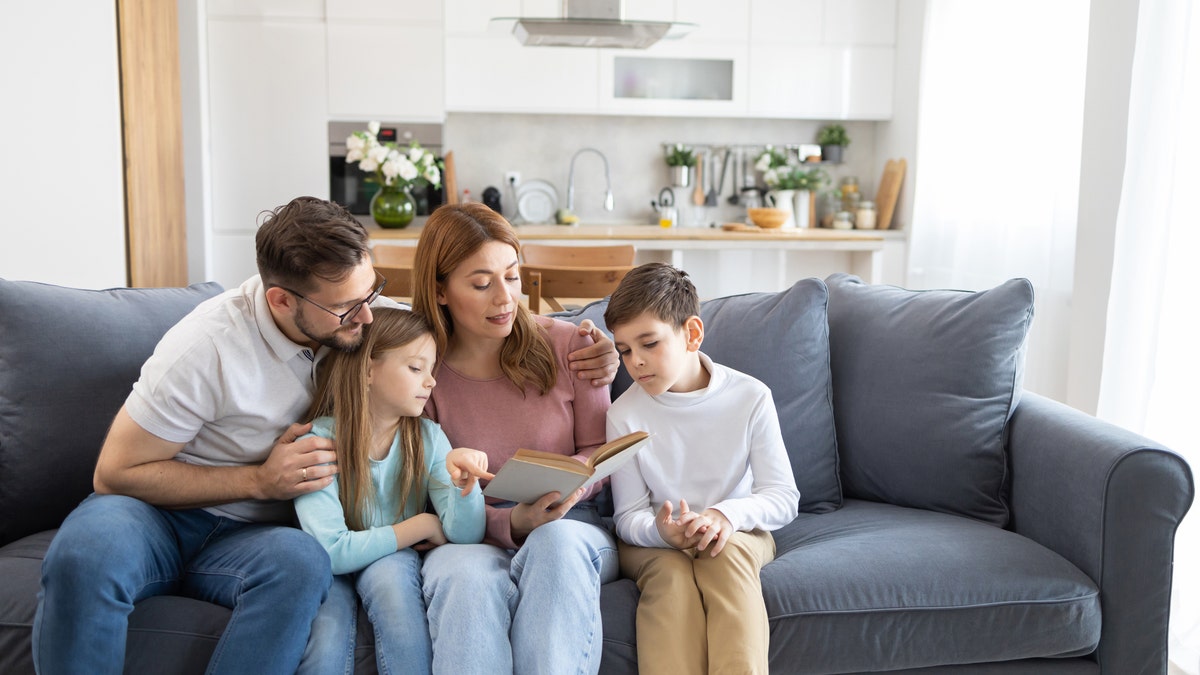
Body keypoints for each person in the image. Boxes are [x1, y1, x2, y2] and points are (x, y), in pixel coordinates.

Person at [33, 195, 616, 673]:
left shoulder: (366, 316)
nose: (367, 317)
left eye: (371, 291)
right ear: (282, 301)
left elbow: (481, 320)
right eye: (347, 308)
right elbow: (115, 473)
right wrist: (260, 480)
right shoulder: (204, 347)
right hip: (158, 509)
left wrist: (599, 348)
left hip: (265, 535)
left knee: (301, 566)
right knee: (86, 556)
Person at [410, 202, 621, 675]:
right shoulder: (417, 371)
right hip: (465, 536)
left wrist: (569, 490)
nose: (504, 298)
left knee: (554, 543)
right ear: (440, 290)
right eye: (481, 284)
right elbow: (420, 493)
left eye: (512, 276)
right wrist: (510, 524)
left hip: (572, 526)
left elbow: (599, 450)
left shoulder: (572, 346)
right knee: (464, 577)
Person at [602, 262, 800, 675]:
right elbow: (627, 517)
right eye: (624, 350)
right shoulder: (623, 415)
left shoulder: (751, 397)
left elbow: (783, 497)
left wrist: (725, 516)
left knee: (722, 556)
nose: (634, 362)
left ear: (691, 334)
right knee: (671, 578)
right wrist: (662, 532)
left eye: (649, 343)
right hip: (655, 544)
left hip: (738, 532)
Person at [294, 307, 491, 673]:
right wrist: (421, 525)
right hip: (330, 571)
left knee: (392, 588)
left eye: (431, 370)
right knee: (325, 635)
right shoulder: (318, 441)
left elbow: (466, 535)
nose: (431, 382)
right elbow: (332, 552)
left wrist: (466, 485)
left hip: (392, 560)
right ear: (368, 370)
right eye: (416, 368)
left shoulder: (428, 438)